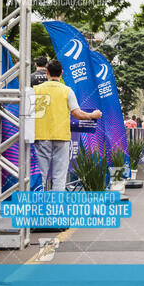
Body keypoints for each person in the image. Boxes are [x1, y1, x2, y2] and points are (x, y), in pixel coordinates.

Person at [33, 60, 102, 190]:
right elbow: (77, 114)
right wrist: (93, 115)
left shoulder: (36, 90)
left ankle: (38, 206)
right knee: (59, 176)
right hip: (62, 138)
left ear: (46, 72)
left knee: (39, 176)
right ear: (62, 73)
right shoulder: (67, 91)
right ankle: (57, 207)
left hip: (41, 136)